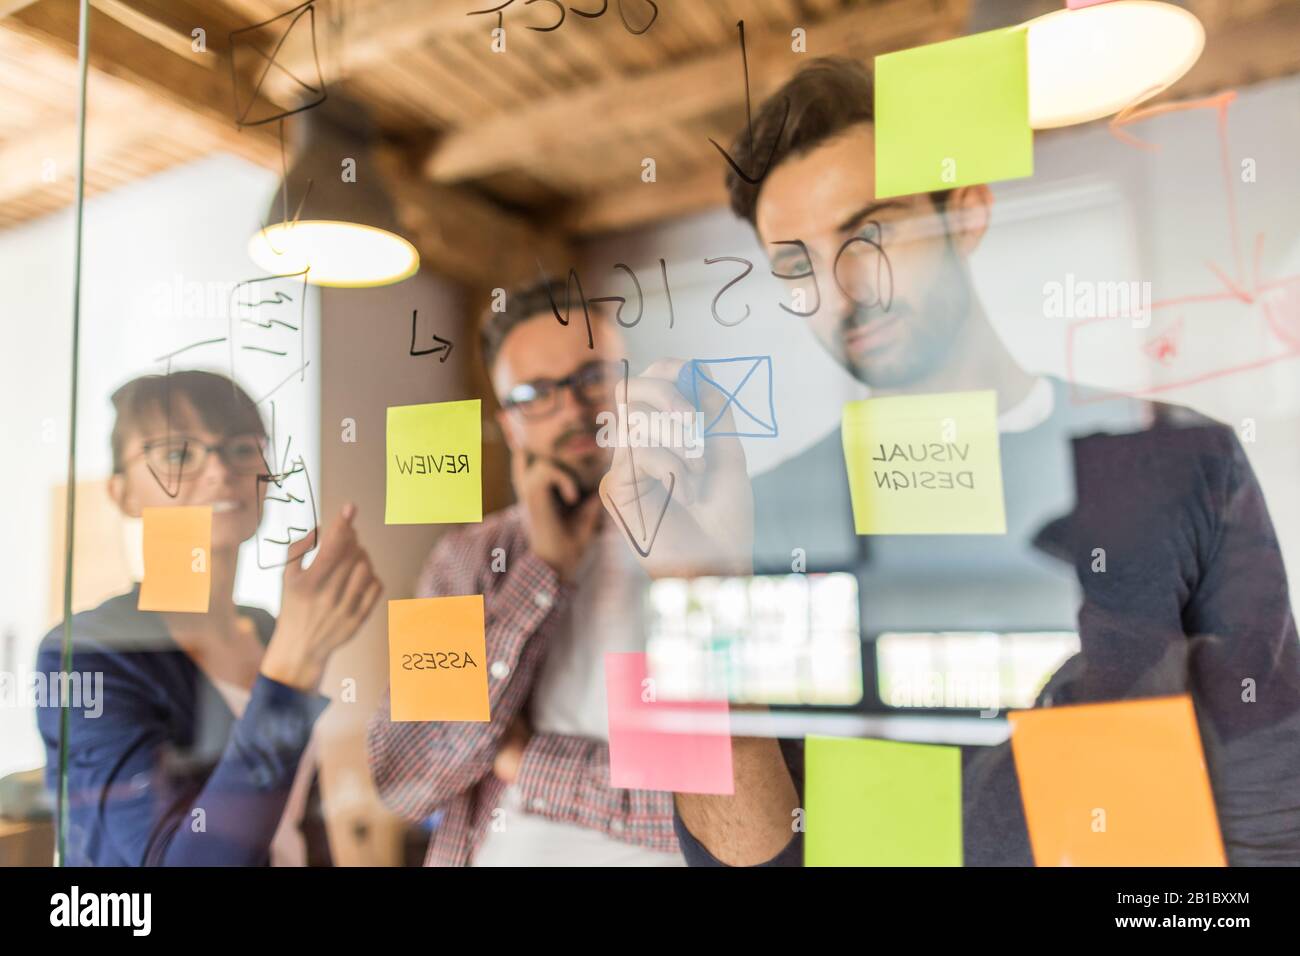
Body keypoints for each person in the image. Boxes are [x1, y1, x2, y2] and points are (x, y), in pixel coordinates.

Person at [601, 58, 1300, 866]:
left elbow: (1272, 810)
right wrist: (696, 593)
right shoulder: (760, 515)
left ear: (965, 211)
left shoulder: (1179, 456)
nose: (840, 291)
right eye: (796, 264)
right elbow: (736, 858)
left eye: (872, 233)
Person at [366, 280, 683, 866]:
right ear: (509, 425)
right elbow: (405, 776)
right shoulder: (465, 558)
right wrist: (546, 569)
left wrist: (525, 760)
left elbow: (735, 814)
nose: (572, 407)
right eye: (535, 393)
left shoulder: (707, 540)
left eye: (593, 375)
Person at [35, 369, 382, 866]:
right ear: (122, 493)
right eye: (178, 454)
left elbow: (299, 820)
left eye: (241, 448)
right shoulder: (86, 654)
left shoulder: (265, 628)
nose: (219, 472)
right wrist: (294, 667)